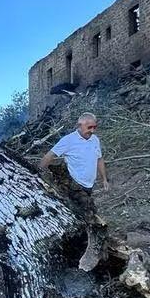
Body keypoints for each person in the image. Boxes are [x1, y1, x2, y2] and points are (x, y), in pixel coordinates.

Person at [39, 112, 109, 270]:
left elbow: (99, 159)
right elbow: (50, 155)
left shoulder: (95, 140)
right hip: (73, 184)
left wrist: (104, 178)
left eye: (94, 127)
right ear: (80, 125)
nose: (92, 130)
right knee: (91, 214)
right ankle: (94, 255)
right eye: (89, 127)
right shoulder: (68, 140)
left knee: (81, 213)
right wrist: (37, 173)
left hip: (88, 185)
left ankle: (76, 243)